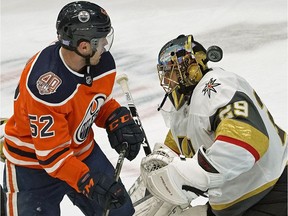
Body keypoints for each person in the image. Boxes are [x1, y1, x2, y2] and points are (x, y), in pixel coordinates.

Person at [1, 1, 144, 215]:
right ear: (84, 46)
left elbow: (93, 101)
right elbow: (52, 157)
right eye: (101, 39)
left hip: (81, 153)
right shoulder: (46, 87)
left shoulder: (100, 63)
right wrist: (88, 182)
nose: (105, 43)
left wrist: (113, 116)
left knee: (119, 211)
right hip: (32, 169)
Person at [140, 34, 287, 216]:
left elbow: (246, 141)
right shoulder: (186, 105)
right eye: (165, 72)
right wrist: (162, 170)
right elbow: (180, 143)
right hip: (235, 202)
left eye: (172, 70)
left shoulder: (217, 87)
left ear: (192, 68)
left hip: (273, 194)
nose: (168, 78)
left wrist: (192, 175)